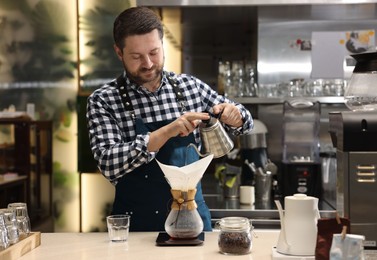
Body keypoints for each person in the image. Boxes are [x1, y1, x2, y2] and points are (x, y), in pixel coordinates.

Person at [86, 6, 254, 232]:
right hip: (136, 228)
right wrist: (167, 131)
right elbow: (108, 163)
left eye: (154, 52)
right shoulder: (104, 100)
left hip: (194, 222)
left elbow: (246, 121)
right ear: (119, 52)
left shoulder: (189, 87)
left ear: (162, 45)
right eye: (136, 56)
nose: (147, 63)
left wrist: (236, 116)